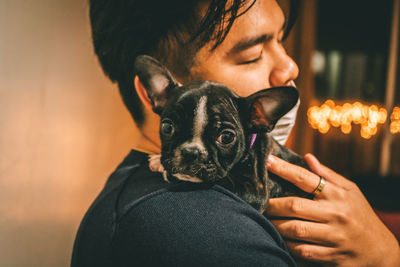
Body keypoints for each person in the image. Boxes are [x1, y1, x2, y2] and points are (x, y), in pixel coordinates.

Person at [71, 0, 400, 266]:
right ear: (154, 92)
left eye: (281, 39)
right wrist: (386, 257)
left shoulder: (136, 190)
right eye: (253, 55)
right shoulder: (198, 232)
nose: (290, 67)